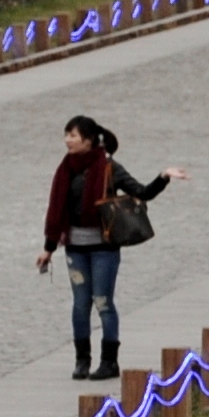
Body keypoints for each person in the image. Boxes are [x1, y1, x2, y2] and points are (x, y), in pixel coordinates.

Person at [36, 115, 166, 383]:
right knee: (80, 304)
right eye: (66, 135)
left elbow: (142, 191)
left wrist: (164, 177)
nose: (67, 140)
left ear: (89, 139)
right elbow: (57, 213)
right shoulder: (65, 169)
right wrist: (48, 248)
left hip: (104, 248)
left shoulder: (108, 167)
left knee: (103, 302)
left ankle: (109, 362)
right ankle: (82, 360)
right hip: (75, 248)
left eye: (73, 135)